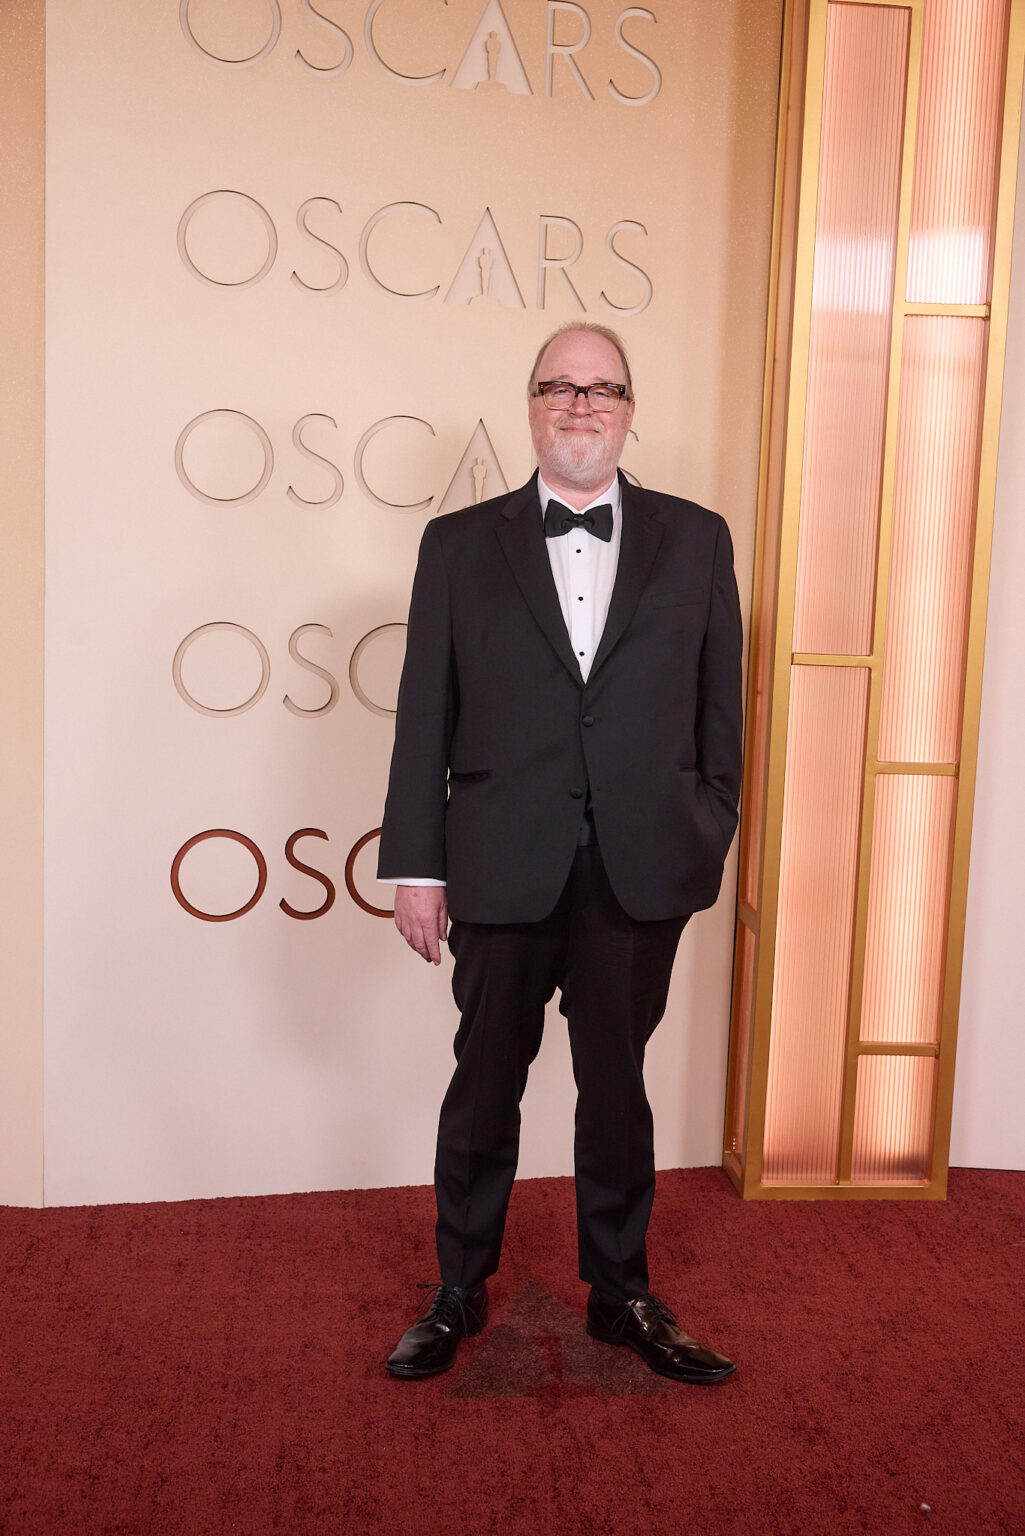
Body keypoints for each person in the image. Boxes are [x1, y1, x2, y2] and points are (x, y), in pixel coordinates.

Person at [377, 323, 743, 1384]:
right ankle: (456, 1290)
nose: (581, 406)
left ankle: (620, 1294)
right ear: (529, 406)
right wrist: (419, 864)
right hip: (499, 857)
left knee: (615, 1085)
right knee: (484, 1083)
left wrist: (704, 820)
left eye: (602, 389)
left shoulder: (697, 538)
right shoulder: (456, 545)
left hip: (639, 864)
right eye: (558, 388)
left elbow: (719, 709)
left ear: (630, 410)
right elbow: (422, 717)